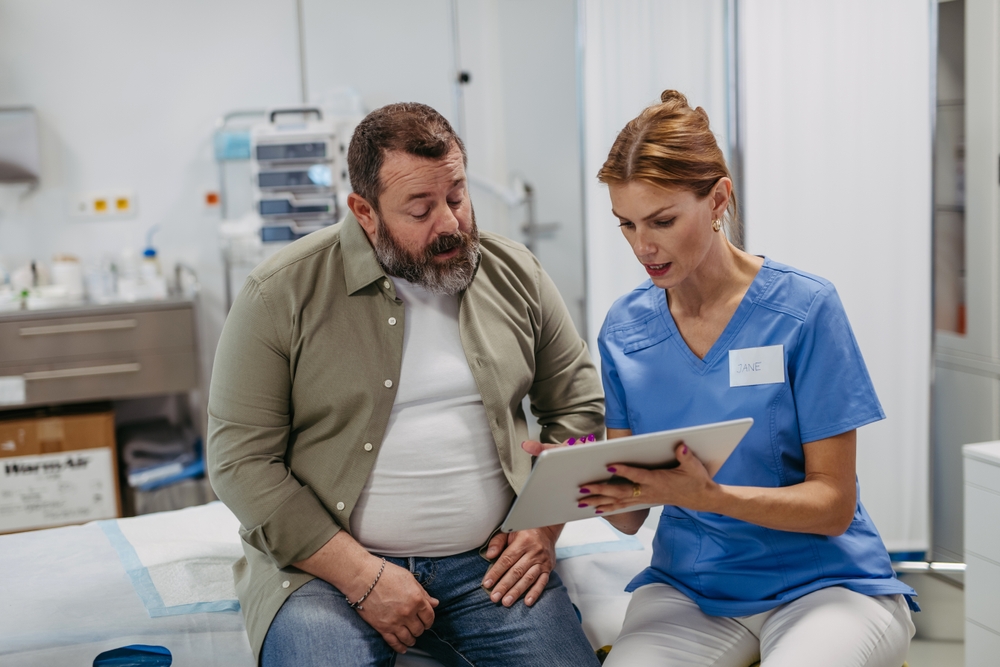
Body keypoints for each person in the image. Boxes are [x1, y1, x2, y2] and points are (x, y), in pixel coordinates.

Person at [526, 90, 917, 667]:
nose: (642, 246)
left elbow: (833, 504)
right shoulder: (625, 330)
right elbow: (630, 517)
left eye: (662, 221)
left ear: (717, 199)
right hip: (691, 588)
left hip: (825, 585)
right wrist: (576, 473)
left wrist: (710, 498)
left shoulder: (804, 310)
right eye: (626, 224)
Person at [207, 102, 605, 667]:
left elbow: (580, 409)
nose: (450, 224)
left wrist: (544, 524)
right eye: (420, 209)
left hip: (491, 568)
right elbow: (239, 461)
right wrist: (361, 575)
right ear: (364, 212)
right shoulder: (280, 294)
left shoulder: (515, 273)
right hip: (326, 573)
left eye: (457, 197)